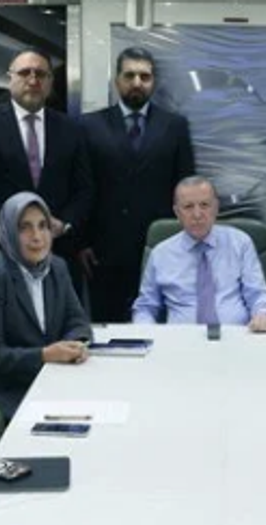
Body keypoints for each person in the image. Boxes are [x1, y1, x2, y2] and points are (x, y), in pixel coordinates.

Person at [0, 48, 94, 297]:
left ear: (50, 82)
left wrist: (64, 224)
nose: (33, 80)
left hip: (59, 253)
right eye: (25, 73)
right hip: (2, 252)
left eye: (41, 74)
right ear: (10, 78)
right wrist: (15, 225)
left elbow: (84, 188)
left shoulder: (71, 129)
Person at [80, 46, 196, 322]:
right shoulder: (89, 126)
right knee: (109, 328)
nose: (137, 83)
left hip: (160, 246)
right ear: (117, 80)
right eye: (129, 75)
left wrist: (187, 240)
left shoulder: (174, 126)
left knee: (161, 328)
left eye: (144, 76)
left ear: (153, 82)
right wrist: (81, 242)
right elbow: (82, 186)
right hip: (104, 251)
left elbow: (186, 187)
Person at [0, 193, 93, 420]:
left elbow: (77, 321)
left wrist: (74, 345)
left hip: (57, 379)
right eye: (25, 228)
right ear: (8, 232)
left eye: (43, 226)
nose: (37, 237)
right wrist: (44, 356)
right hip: (10, 393)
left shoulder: (57, 267)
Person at [132, 176, 266, 331]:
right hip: (180, 339)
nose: (197, 214)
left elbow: (258, 294)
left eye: (204, 205)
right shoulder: (160, 254)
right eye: (188, 207)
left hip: (237, 336)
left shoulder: (240, 243)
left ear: (216, 208)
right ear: (177, 212)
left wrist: (264, 314)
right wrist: (146, 330)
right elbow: (145, 307)